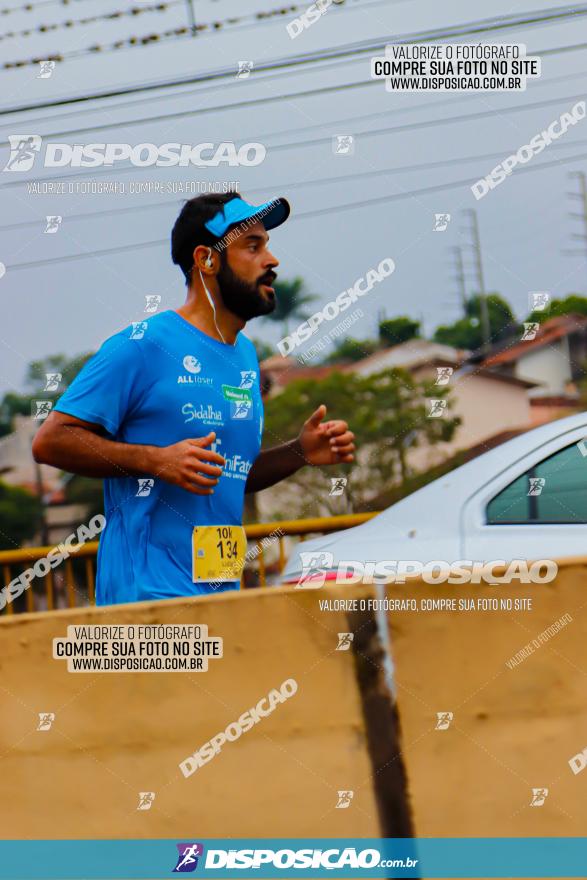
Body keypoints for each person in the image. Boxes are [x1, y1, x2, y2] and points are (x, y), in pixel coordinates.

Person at [32, 192, 355, 605]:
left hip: (221, 594)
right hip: (146, 601)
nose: (271, 261)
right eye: (253, 247)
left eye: (268, 246)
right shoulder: (142, 345)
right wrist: (156, 461)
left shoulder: (245, 357)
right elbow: (51, 440)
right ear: (207, 260)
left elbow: (227, 475)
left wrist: (301, 451)